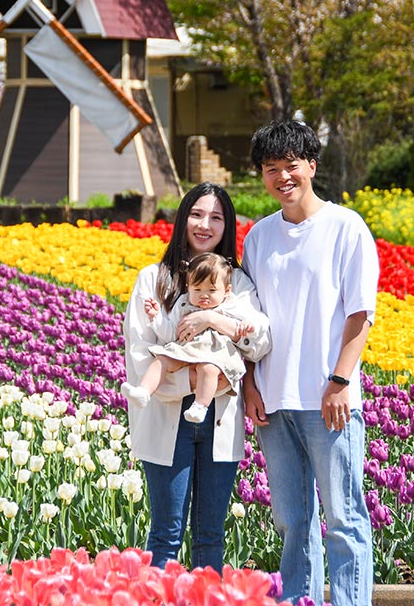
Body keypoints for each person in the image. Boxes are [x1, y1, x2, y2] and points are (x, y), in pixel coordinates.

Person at [240, 119, 380, 606]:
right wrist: (250, 386)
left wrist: (341, 380)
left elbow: (361, 313)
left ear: (312, 166)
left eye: (291, 165)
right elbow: (248, 320)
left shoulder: (346, 228)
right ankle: (300, 601)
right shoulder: (258, 237)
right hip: (274, 403)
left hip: (328, 401)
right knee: (293, 521)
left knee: (343, 518)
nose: (282, 177)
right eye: (271, 168)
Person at [123, 182, 271, 572]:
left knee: (210, 535)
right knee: (166, 531)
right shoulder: (154, 279)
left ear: (228, 226)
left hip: (218, 419)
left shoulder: (236, 282)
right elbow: (139, 355)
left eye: (216, 217)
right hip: (167, 418)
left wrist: (212, 318)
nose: (205, 225)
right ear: (182, 218)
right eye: (197, 214)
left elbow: (260, 340)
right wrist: (191, 383)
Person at [123, 252, 256, 424]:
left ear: (227, 290)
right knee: (162, 360)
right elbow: (172, 333)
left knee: (208, 370)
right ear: (188, 286)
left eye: (211, 290)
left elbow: (241, 325)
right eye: (197, 289)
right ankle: (143, 391)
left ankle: (200, 406)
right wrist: (156, 318)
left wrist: (246, 326)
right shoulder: (184, 304)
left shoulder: (229, 305)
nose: (204, 295)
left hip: (215, 353)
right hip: (185, 349)